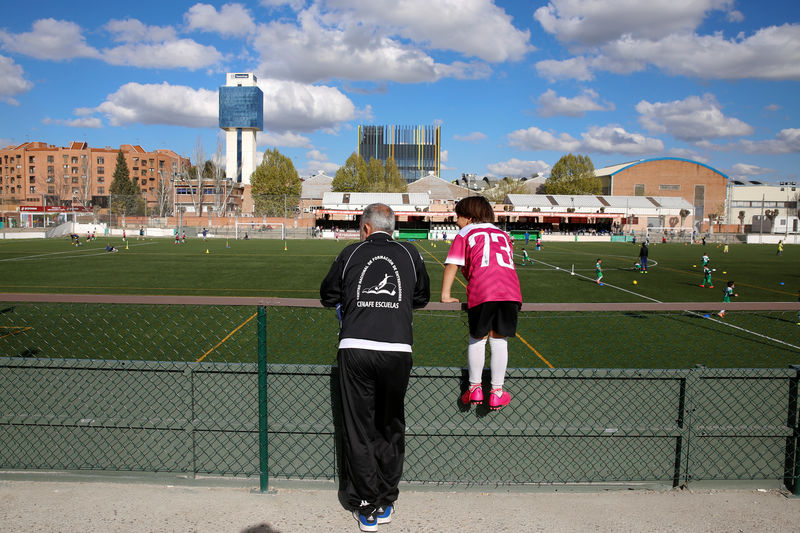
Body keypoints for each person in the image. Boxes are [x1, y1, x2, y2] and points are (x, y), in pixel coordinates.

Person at [320, 203, 430, 532]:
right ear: (391, 227)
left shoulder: (351, 253)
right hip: (397, 349)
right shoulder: (410, 253)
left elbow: (328, 295)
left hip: (355, 349)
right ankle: (387, 499)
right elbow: (421, 297)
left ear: (366, 228)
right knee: (390, 424)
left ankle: (366, 504)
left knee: (359, 429)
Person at [441, 196, 522, 412]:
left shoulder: (465, 233)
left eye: (458, 216)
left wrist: (446, 295)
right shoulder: (503, 234)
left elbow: (452, 264)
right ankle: (496, 392)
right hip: (511, 292)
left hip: (483, 290)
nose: (456, 220)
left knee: (477, 338)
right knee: (500, 340)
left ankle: (475, 387)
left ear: (469, 217)